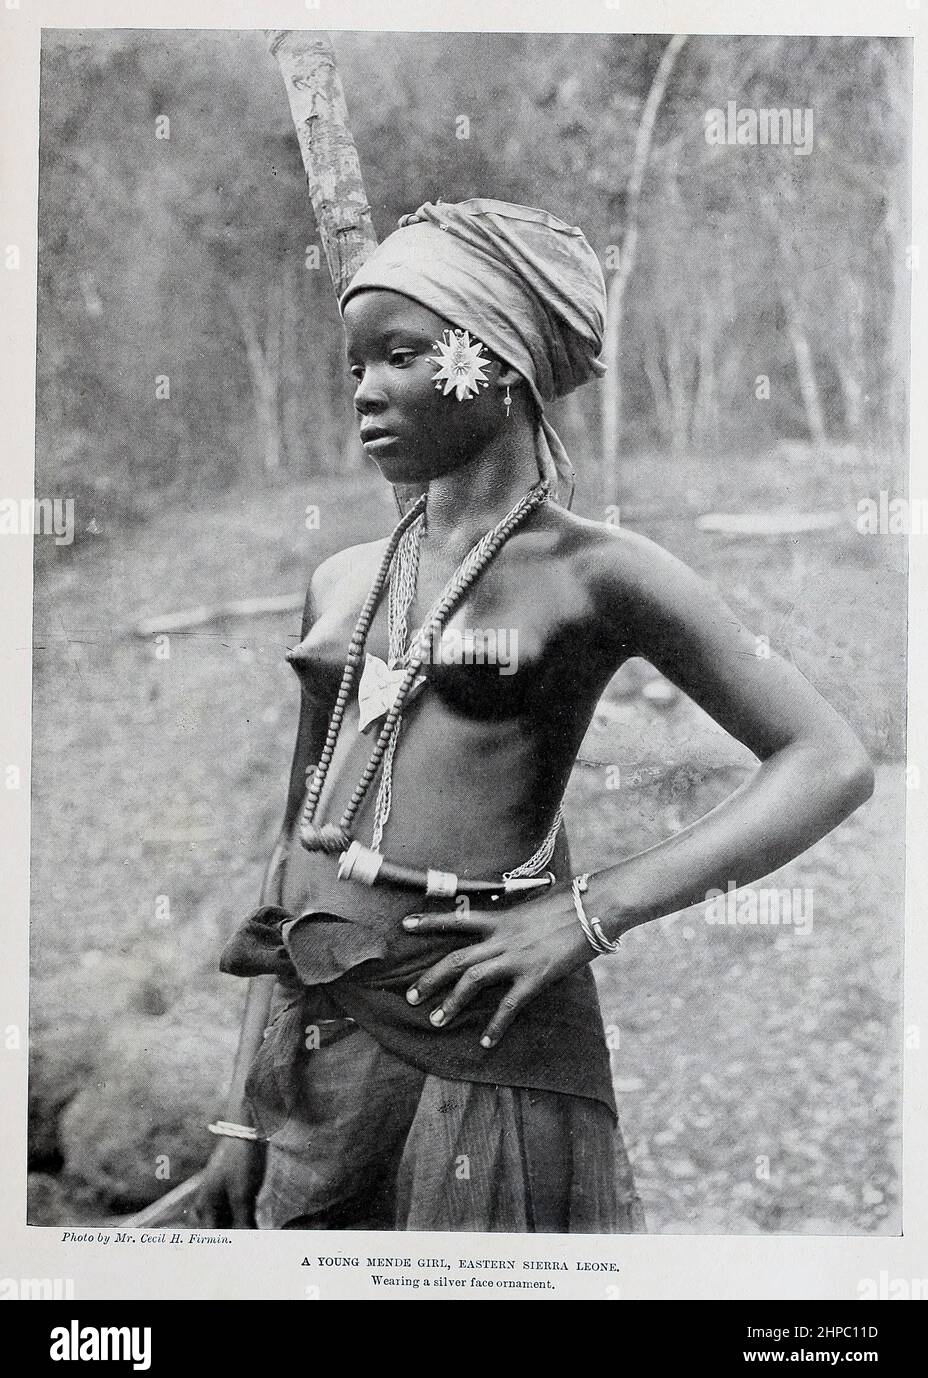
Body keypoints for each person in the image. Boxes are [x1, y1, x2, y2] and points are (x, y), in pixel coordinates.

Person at [194, 198, 874, 1232]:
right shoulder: (343, 579)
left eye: (400, 355)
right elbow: (294, 856)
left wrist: (592, 909)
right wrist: (245, 1112)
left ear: (498, 361)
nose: (365, 392)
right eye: (354, 365)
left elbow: (827, 760)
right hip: (323, 1052)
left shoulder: (599, 572)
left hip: (485, 1035)